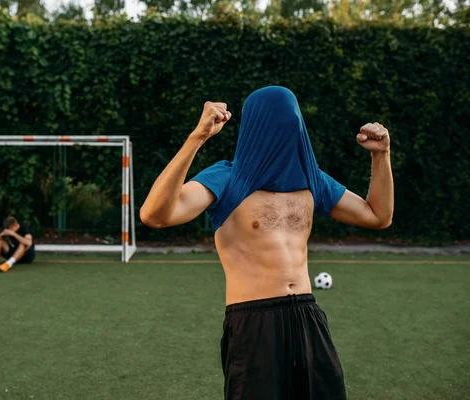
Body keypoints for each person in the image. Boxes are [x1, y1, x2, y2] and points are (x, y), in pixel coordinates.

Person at [140, 86, 393, 399]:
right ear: (254, 128)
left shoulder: (313, 180)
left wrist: (381, 156)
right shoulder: (227, 178)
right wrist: (198, 137)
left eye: (292, 124)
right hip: (253, 321)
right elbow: (155, 215)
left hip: (307, 316)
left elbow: (378, 215)